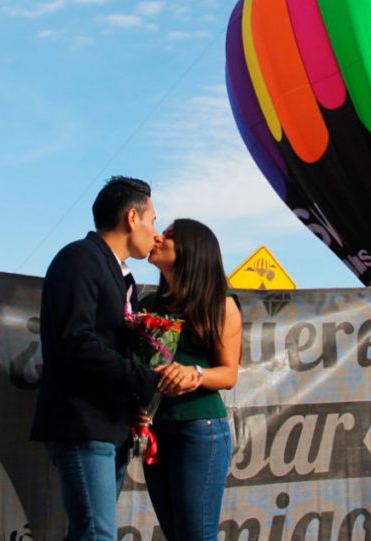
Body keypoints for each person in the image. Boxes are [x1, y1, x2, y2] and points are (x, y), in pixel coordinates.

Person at [31, 176, 163, 541]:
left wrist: (136, 401)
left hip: (110, 424)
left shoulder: (122, 277)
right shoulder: (79, 259)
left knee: (92, 531)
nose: (156, 233)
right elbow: (76, 340)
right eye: (153, 220)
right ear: (132, 217)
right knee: (96, 533)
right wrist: (144, 379)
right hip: (81, 422)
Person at [140, 218, 243, 541]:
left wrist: (194, 374)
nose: (157, 237)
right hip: (156, 431)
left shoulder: (222, 304)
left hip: (200, 431)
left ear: (191, 250)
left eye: (168, 236)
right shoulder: (146, 306)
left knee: (196, 535)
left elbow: (229, 374)